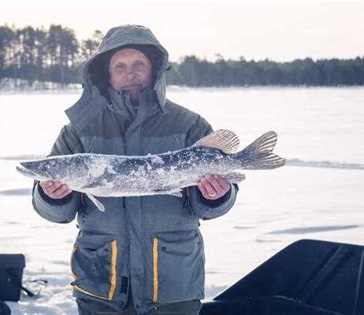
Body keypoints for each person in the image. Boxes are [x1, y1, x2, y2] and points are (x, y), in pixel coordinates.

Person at [31, 25, 239, 315]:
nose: (130, 72)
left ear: (154, 69)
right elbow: (58, 213)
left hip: (172, 283)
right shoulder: (80, 129)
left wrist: (217, 196)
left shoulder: (189, 124)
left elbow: (211, 206)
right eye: (121, 66)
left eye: (138, 63)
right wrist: (51, 196)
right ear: (107, 73)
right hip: (102, 281)